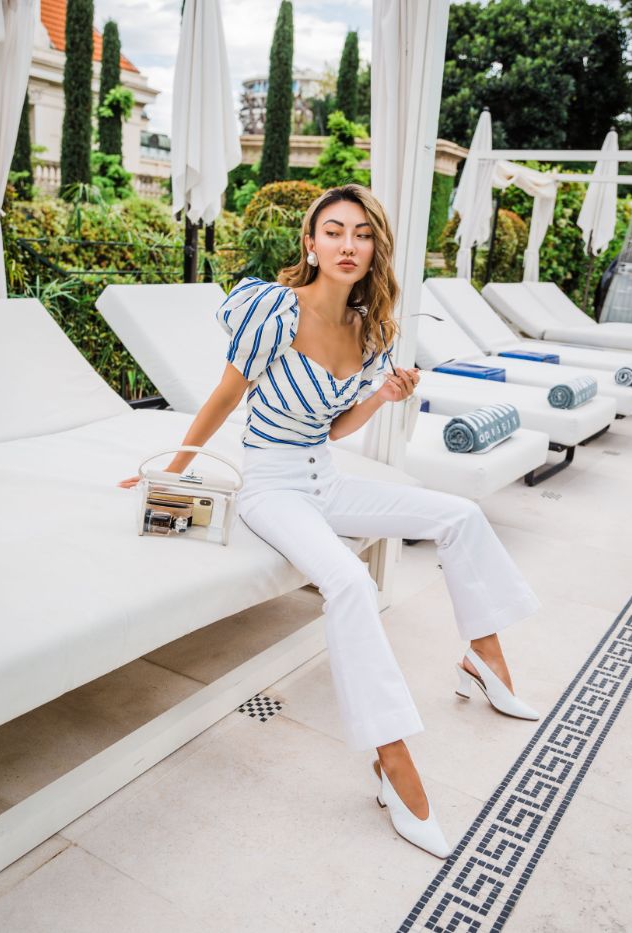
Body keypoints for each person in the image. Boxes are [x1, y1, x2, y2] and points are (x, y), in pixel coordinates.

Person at [119, 184, 540, 859]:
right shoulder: (274, 312)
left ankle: (483, 658)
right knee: (347, 582)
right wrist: (173, 464)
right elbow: (226, 396)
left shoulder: (373, 328)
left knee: (459, 513)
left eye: (362, 234)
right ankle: (392, 757)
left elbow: (336, 428)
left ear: (376, 249)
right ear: (310, 244)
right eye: (334, 231)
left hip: (326, 477)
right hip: (272, 487)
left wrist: (382, 395)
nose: (349, 245)